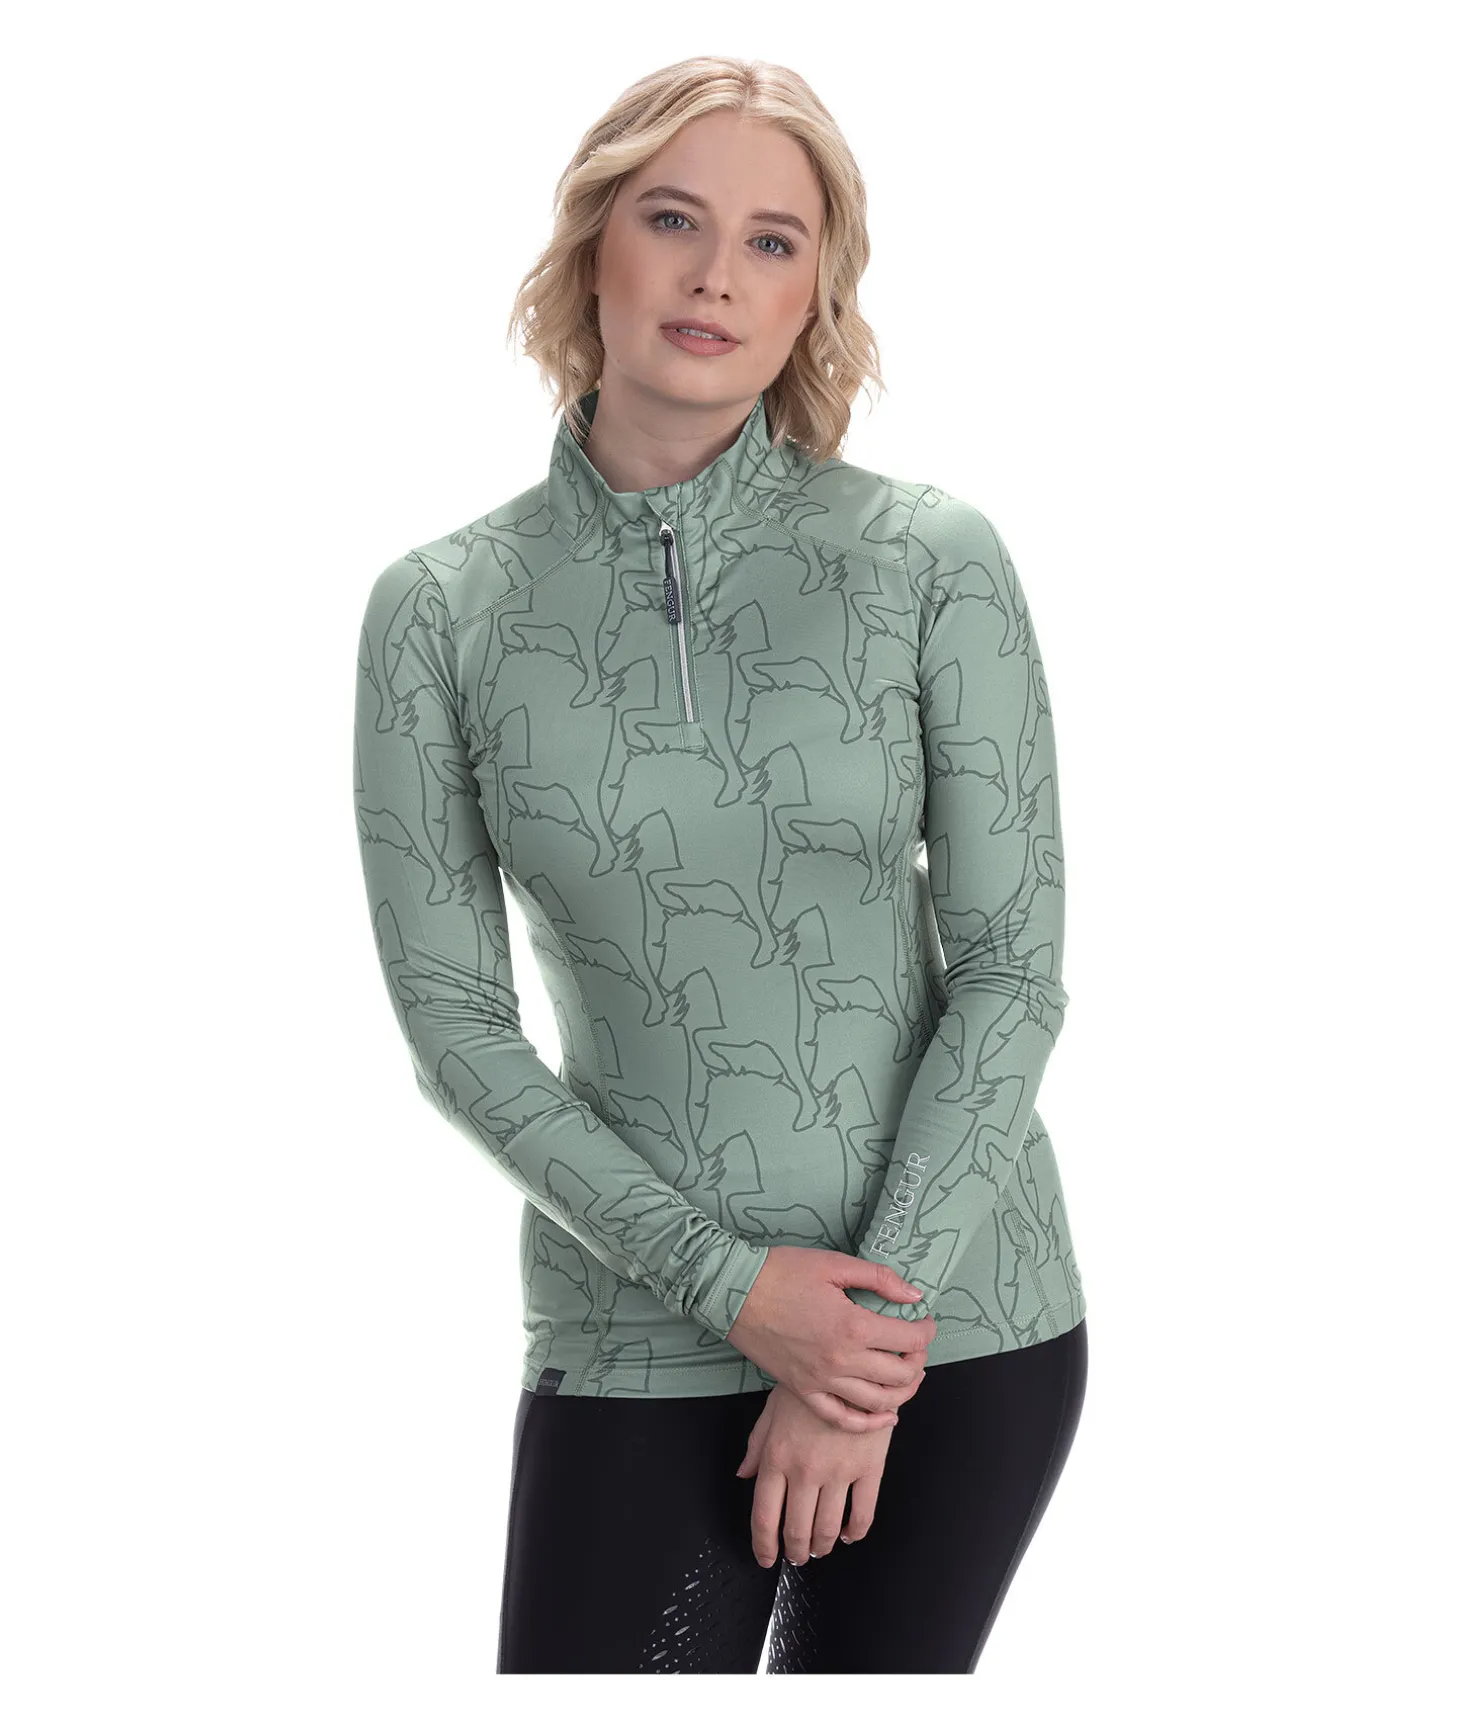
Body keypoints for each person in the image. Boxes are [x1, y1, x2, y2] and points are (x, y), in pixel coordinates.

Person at [352, 55, 1088, 1674]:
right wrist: (737, 1287)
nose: (714, 276)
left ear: (816, 290)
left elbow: (1011, 974)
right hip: (638, 1321)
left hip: (958, 1316)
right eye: (671, 220)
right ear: (589, 248)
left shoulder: (928, 561)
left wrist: (857, 1344)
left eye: (771, 240)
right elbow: (454, 1026)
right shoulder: (442, 610)